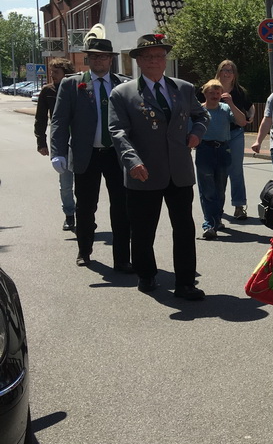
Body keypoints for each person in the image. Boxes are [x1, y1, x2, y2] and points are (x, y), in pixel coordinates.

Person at [108, 34, 209, 300]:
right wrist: (132, 160)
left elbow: (201, 114)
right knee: (143, 229)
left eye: (159, 56)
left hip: (179, 171)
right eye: (148, 56)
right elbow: (117, 131)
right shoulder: (123, 93)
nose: (154, 60)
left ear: (165, 60)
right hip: (144, 171)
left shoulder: (183, 88)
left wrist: (197, 132)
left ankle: (186, 282)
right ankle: (146, 274)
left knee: (184, 229)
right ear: (139, 61)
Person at [49, 41, 131, 272]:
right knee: (85, 207)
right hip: (87, 154)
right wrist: (58, 152)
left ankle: (122, 259)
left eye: (103, 57)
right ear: (88, 59)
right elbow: (59, 120)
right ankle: (84, 251)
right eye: (94, 57)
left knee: (122, 208)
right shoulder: (72, 84)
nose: (98, 61)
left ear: (110, 59)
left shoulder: (123, 84)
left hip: (117, 155)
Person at [196, 79, 247, 240]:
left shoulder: (225, 109)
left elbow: (242, 121)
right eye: (211, 92)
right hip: (204, 150)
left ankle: (216, 220)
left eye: (218, 93)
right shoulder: (199, 111)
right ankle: (209, 224)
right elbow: (190, 131)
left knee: (219, 189)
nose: (215, 95)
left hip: (223, 150)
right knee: (207, 190)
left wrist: (231, 103)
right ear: (205, 93)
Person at [36, 58, 75, 231]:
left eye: (56, 72)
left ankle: (85, 215)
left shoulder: (77, 88)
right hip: (60, 142)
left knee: (84, 183)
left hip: (79, 141)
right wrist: (41, 142)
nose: (52, 75)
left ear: (66, 73)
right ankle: (69, 215)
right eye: (51, 72)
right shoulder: (48, 91)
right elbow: (41, 118)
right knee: (65, 184)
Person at [212, 60, 254, 220]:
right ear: (219, 71)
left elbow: (249, 106)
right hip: (215, 135)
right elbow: (197, 106)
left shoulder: (239, 91)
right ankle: (216, 207)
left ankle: (239, 206)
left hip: (235, 133)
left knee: (236, 170)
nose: (227, 73)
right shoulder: (210, 88)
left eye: (230, 70)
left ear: (234, 74)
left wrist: (250, 116)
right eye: (224, 70)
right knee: (218, 172)